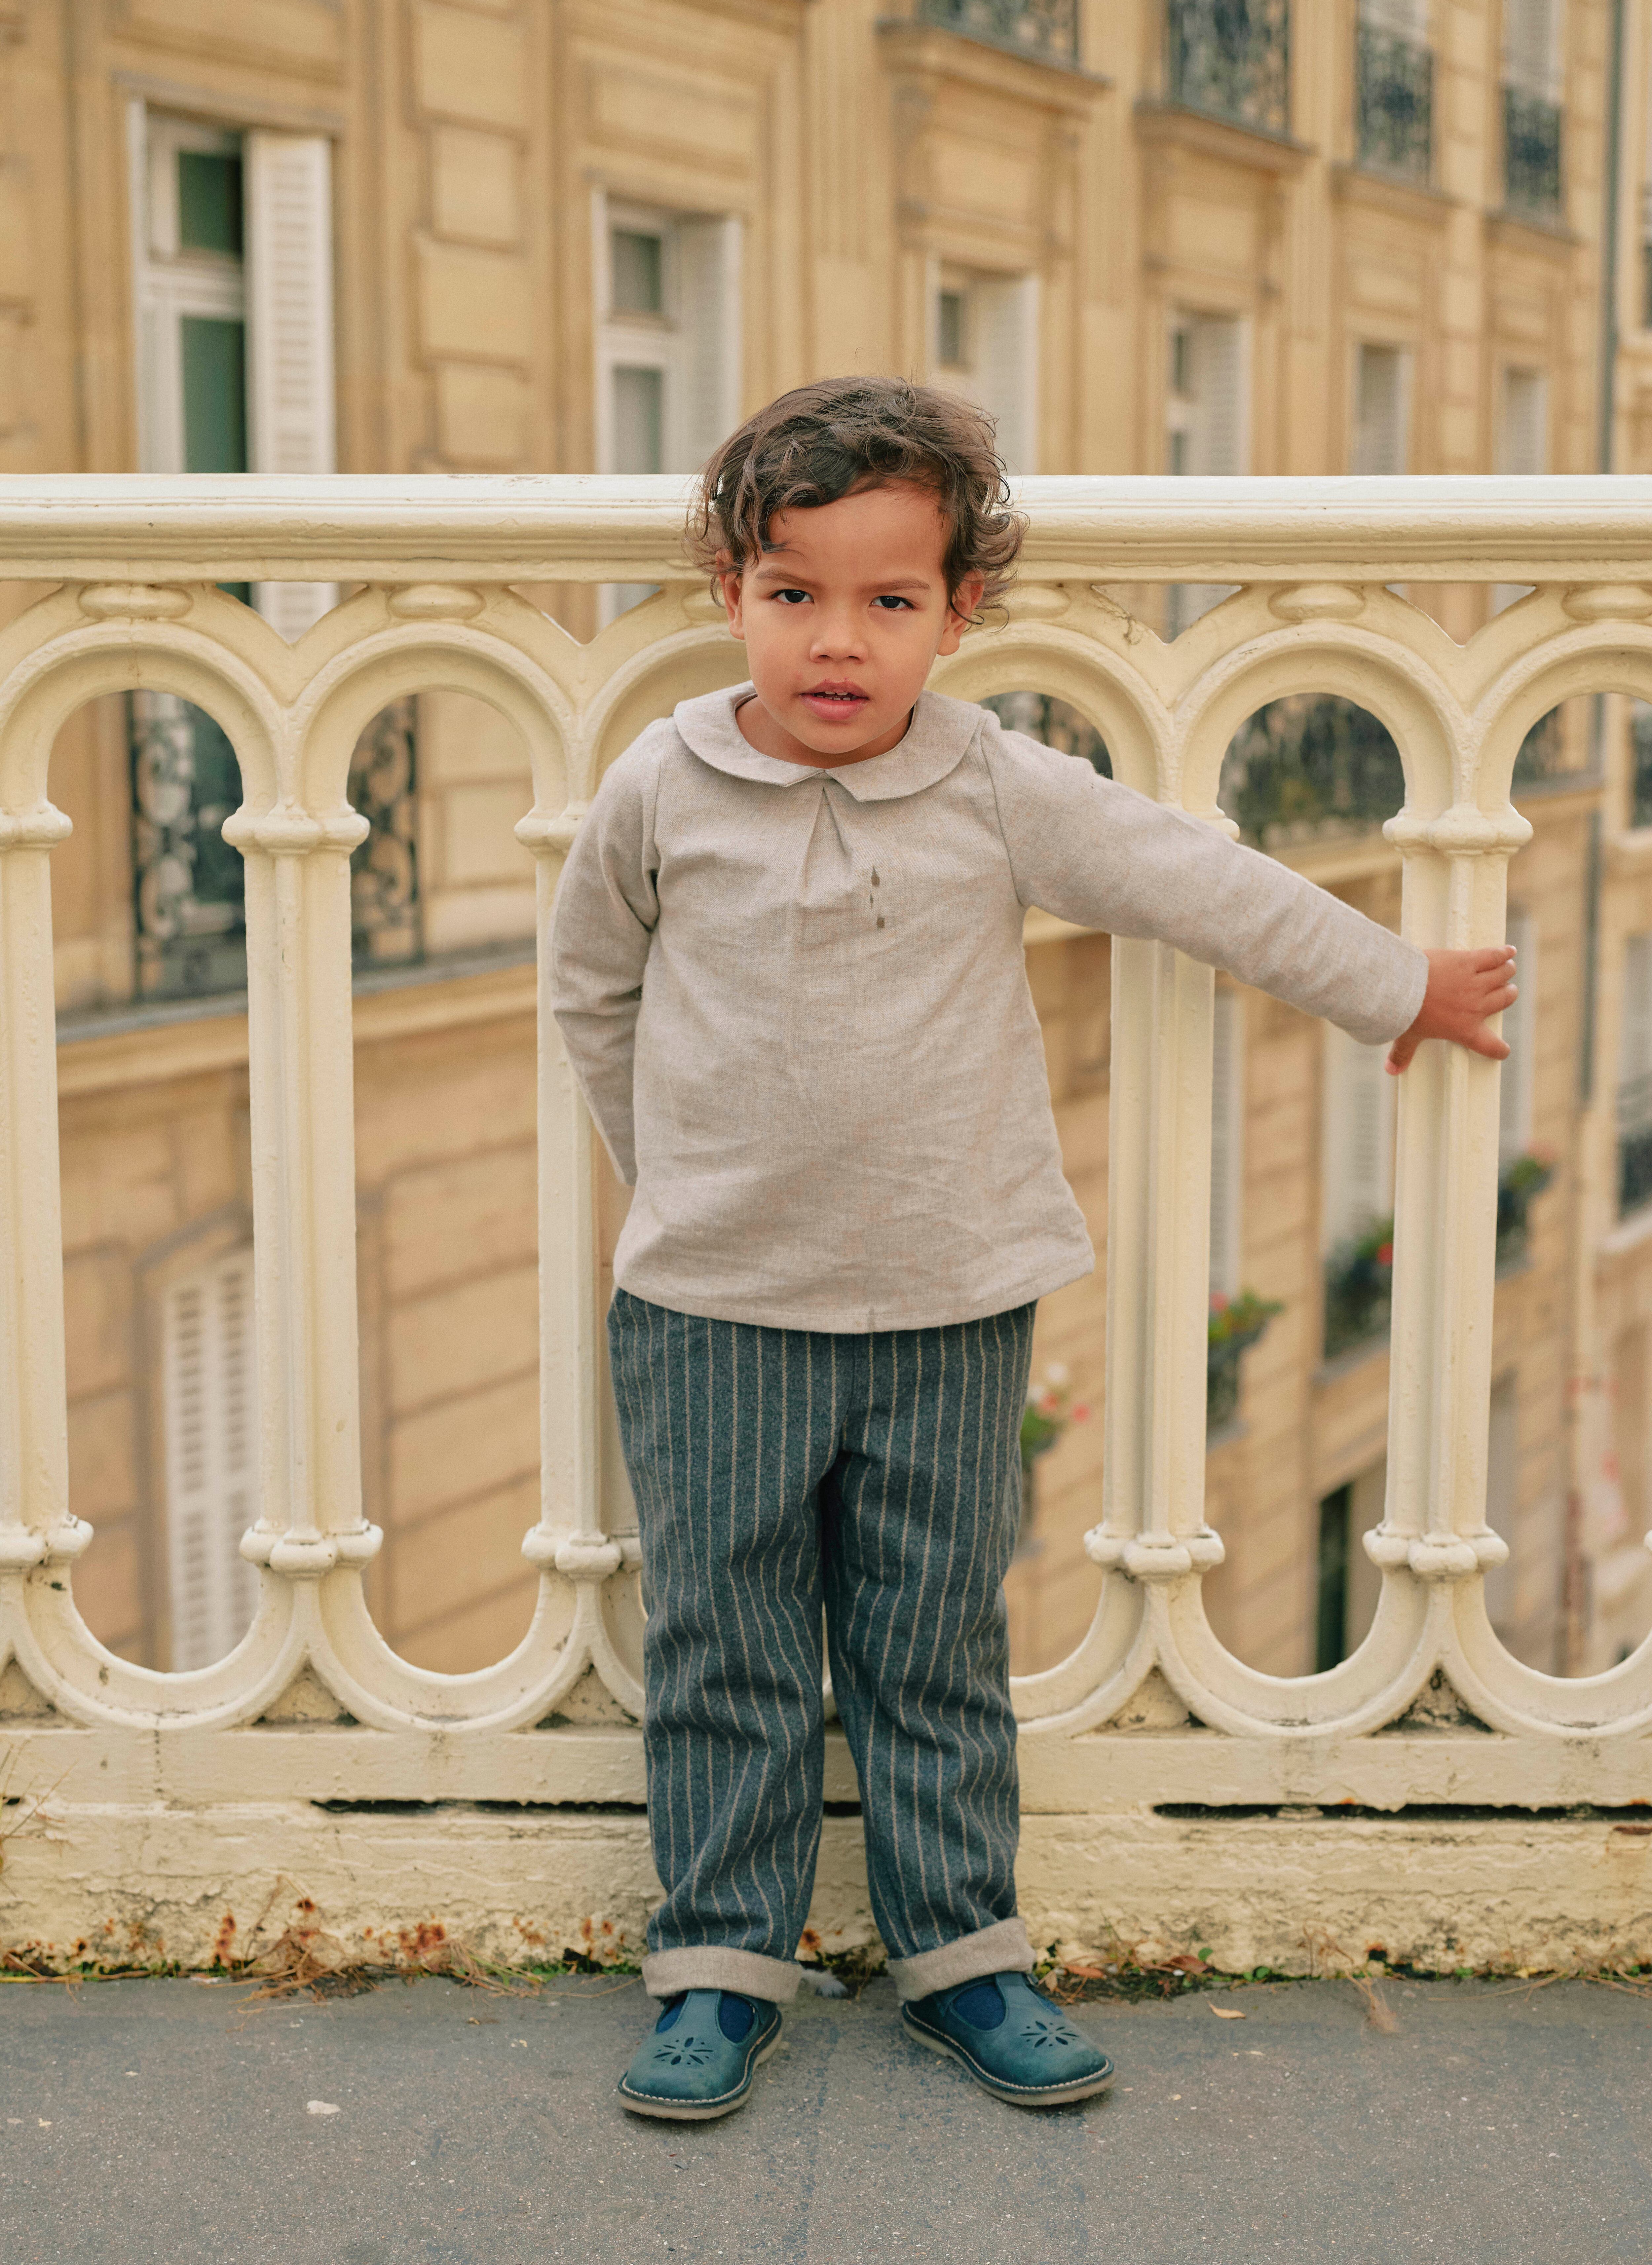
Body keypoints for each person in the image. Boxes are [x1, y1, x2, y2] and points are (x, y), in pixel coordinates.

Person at [549, 377, 1515, 2122]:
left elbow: (1194, 881)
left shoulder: (988, 781)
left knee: (933, 1645)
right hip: (712, 1314)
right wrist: (676, 1184)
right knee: (725, 1649)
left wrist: (1399, 985)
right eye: (793, 593)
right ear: (729, 588)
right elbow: (592, 994)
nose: (836, 641)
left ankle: (963, 1957)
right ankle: (718, 1968)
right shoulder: (659, 787)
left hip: (950, 1304)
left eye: (888, 599)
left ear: (957, 611)